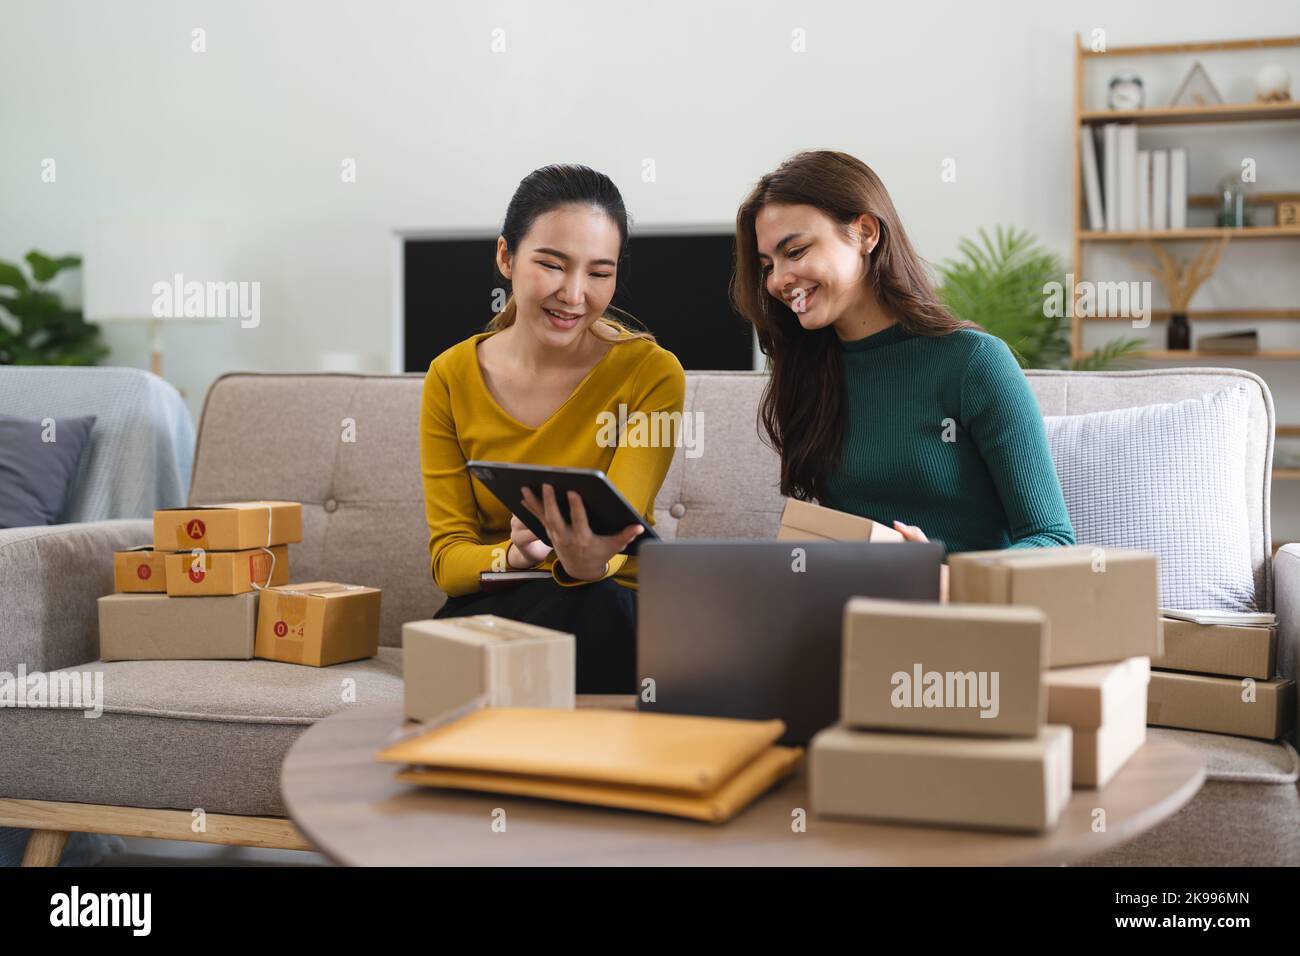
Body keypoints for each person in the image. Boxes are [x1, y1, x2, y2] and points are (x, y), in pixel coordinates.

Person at [420, 164, 685, 693]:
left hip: (611, 605)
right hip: (497, 605)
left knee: (592, 607)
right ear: (506, 257)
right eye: (552, 264)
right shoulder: (449, 376)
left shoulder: (651, 373)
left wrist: (583, 559)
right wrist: (517, 554)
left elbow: (613, 544)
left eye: (599, 272)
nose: (574, 293)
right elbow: (450, 562)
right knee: (467, 633)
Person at [731, 149, 1075, 553]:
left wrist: (949, 578)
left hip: (968, 608)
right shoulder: (810, 371)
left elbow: (1051, 540)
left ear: (865, 233)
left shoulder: (972, 363)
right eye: (768, 265)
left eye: (795, 251)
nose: (778, 281)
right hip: (857, 606)